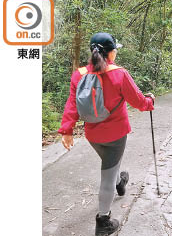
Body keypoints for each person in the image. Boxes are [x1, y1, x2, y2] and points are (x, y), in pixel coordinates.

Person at [58, 32, 155, 236]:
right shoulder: (119, 74)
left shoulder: (80, 74)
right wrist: (150, 102)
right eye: (115, 50)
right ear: (110, 54)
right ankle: (103, 221)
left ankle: (120, 181)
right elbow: (138, 101)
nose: (116, 53)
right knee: (107, 175)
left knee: (111, 163)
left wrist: (67, 130)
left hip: (93, 135)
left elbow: (72, 104)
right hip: (116, 134)